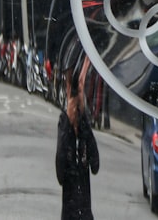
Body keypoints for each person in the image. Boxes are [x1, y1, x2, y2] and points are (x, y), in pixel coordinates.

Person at [56, 67, 99, 219]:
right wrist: (68, 121)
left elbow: (95, 166)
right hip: (69, 214)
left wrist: (85, 119)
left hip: (86, 213)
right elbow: (60, 174)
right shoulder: (63, 124)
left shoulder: (83, 128)